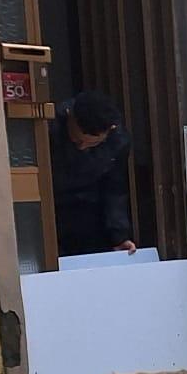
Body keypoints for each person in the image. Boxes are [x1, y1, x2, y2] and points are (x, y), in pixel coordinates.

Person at [48, 90, 136, 257]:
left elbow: (115, 189)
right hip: (52, 206)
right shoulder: (51, 126)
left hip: (89, 207)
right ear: (69, 116)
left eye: (91, 144)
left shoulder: (118, 141)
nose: (81, 147)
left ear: (110, 130)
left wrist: (119, 236)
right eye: (77, 140)